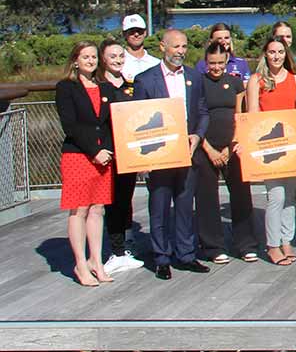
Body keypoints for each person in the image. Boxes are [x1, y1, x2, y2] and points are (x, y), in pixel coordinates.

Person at [132, 29, 210, 280]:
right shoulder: (145, 80)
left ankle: (186, 254)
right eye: (176, 46)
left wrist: (197, 136)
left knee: (186, 205)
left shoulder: (194, 76)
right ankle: (161, 257)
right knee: (160, 206)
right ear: (163, 47)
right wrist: (142, 158)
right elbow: (138, 120)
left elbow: (203, 111)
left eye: (184, 47)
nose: (181, 51)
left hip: (188, 151)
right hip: (159, 154)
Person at [56, 41, 115, 286]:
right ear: (75, 60)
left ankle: (96, 261)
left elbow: (112, 122)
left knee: (97, 209)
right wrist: (95, 150)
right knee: (79, 209)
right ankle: (80, 264)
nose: (90, 61)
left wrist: (108, 150)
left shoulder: (106, 87)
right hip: (78, 155)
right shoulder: (66, 87)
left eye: (93, 57)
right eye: (85, 57)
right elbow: (70, 125)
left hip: (104, 157)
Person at [192, 43, 256, 264]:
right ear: (205, 62)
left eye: (221, 63)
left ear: (227, 60)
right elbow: (196, 118)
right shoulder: (198, 84)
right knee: (207, 198)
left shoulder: (236, 83)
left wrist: (232, 145)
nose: (216, 67)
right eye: (212, 63)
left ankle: (245, 243)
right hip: (205, 148)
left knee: (241, 196)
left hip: (232, 147)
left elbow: (240, 114)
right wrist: (209, 149)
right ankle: (213, 246)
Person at [245, 36, 296, 265]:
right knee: (276, 196)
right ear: (265, 55)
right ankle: (273, 244)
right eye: (272, 52)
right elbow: (251, 115)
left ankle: (287, 240)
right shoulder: (256, 80)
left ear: (286, 54)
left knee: (289, 196)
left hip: (291, 145)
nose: (276, 56)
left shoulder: (295, 79)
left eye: (280, 52)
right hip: (267, 147)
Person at [101, 37, 143, 276]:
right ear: (103, 60)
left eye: (120, 56)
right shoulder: (99, 86)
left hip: (128, 154)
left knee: (125, 200)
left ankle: (125, 246)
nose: (117, 60)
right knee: (111, 203)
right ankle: (115, 251)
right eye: (112, 56)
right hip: (108, 154)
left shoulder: (130, 85)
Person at [119, 14, 160, 81]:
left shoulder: (156, 63)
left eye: (139, 31)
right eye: (132, 31)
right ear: (124, 34)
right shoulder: (119, 63)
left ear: (145, 33)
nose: (136, 34)